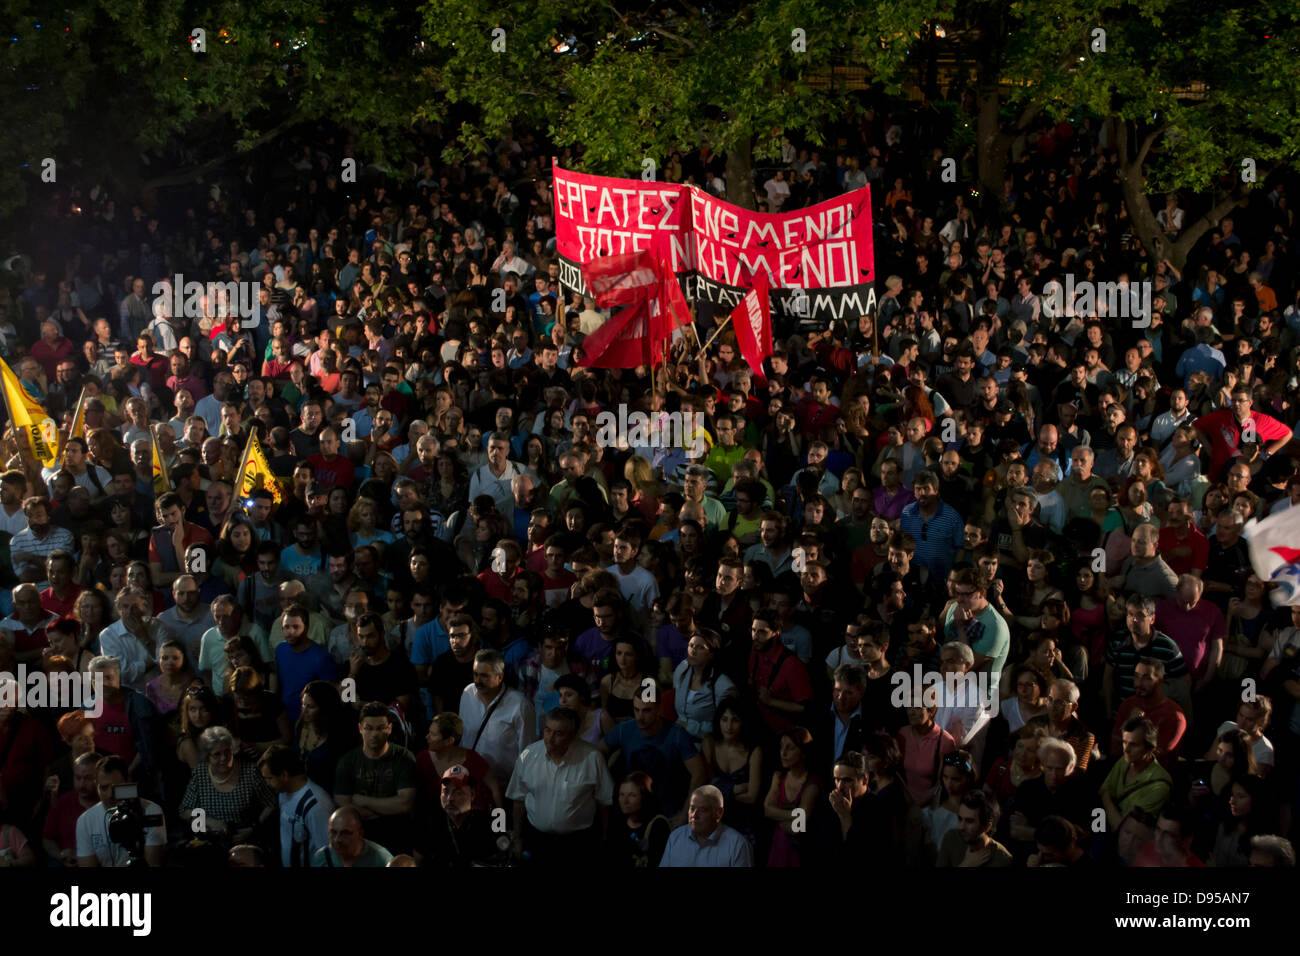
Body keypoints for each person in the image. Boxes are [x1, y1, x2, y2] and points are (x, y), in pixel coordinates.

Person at [506, 706, 614, 865]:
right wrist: (517, 836)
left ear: (573, 735)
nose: (550, 739)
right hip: (536, 840)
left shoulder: (592, 758)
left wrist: (604, 840)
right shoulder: (528, 755)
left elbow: (605, 802)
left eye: (559, 733)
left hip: (577, 844)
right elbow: (518, 799)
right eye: (548, 730)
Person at [333, 701, 418, 855]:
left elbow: (405, 804)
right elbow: (344, 806)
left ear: (390, 728)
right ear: (360, 728)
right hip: (360, 838)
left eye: (380, 728)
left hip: (397, 837)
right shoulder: (348, 761)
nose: (374, 734)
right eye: (369, 728)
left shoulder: (404, 758)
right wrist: (387, 810)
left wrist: (363, 801)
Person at [179, 726, 276, 847]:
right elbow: (185, 810)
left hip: (245, 843)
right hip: (210, 843)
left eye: (227, 752)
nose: (223, 758)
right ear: (207, 756)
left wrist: (253, 829)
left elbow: (271, 803)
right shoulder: (200, 773)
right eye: (216, 754)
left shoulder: (250, 772)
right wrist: (207, 821)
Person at [75, 755, 167, 867]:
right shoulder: (85, 821)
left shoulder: (151, 811)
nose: (110, 795)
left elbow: (154, 863)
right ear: (96, 785)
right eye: (104, 788)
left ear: (128, 781)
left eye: (116, 787)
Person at [259, 743, 335, 868]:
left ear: (284, 775)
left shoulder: (316, 806)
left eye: (269, 778)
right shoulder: (283, 793)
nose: (267, 783)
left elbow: (327, 852)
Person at [659, 785, 753, 867]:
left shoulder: (737, 844)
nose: (694, 815)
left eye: (703, 810)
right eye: (692, 809)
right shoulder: (676, 837)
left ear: (718, 813)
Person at [606, 771, 671, 868]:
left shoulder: (658, 825)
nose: (625, 801)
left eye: (632, 795)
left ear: (645, 797)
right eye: (622, 794)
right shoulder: (617, 824)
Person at [936, 790, 1013, 867]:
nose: (961, 827)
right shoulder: (951, 838)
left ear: (987, 827)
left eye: (969, 821)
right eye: (960, 819)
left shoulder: (1002, 860)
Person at [311, 806, 393, 867]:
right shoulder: (321, 858)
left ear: (360, 833)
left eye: (345, 833)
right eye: (333, 832)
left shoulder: (382, 859)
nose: (337, 839)